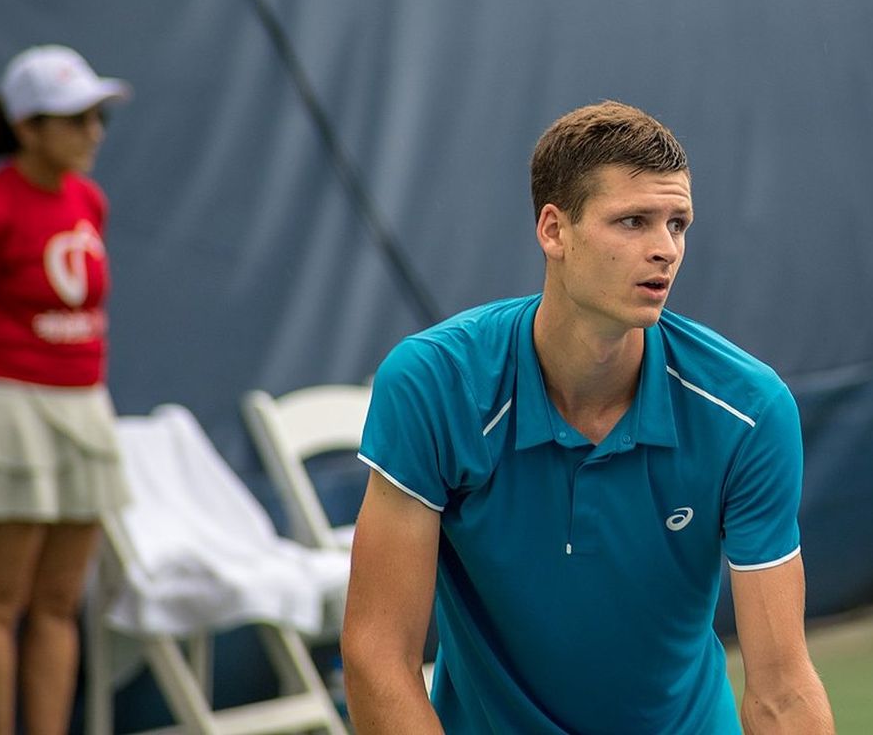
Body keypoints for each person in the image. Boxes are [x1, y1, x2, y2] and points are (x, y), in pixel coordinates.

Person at [342, 100, 834, 734]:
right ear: (554, 230)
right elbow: (378, 656)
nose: (665, 250)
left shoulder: (750, 411)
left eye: (677, 223)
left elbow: (782, 691)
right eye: (632, 221)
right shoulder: (435, 383)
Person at [0, 45, 133, 735]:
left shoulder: (87, 200)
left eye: (96, 117)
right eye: (74, 119)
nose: (92, 133)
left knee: (59, 602)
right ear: (28, 128)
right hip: (5, 414)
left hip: (81, 411)